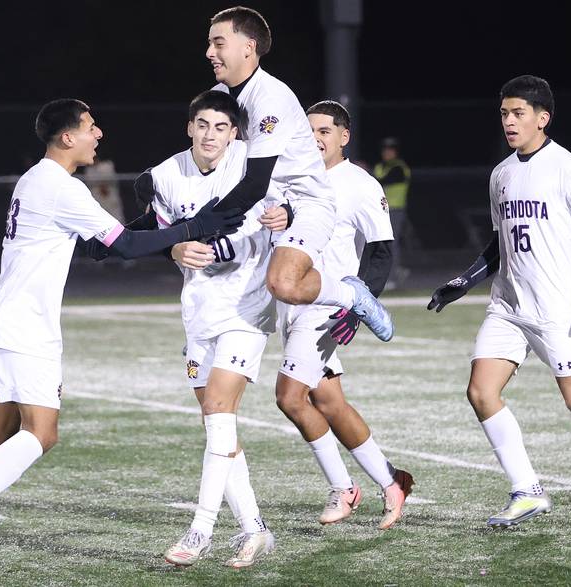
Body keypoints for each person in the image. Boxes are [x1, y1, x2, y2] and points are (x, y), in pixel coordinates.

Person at [0, 99, 244, 571]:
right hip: (25, 327)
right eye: (91, 127)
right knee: (42, 433)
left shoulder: (37, 178)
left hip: (1, 320)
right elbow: (125, 247)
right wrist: (195, 226)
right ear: (67, 137)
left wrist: (158, 222)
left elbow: (98, 246)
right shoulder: (60, 186)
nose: (99, 134)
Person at [427, 75, 571, 532]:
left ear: (542, 117)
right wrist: (465, 280)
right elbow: (499, 244)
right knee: (481, 392)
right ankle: (527, 491)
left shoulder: (568, 167)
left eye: (518, 113)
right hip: (509, 306)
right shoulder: (501, 174)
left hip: (557, 309)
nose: (509, 122)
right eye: (504, 114)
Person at [142, 90, 276, 569]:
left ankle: (200, 531)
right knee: (218, 427)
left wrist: (290, 215)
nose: (210, 135)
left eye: (220, 127)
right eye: (202, 124)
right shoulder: (165, 175)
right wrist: (172, 250)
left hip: (246, 310)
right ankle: (255, 528)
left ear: (235, 133)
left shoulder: (252, 164)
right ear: (189, 127)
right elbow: (156, 232)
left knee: (220, 410)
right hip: (197, 311)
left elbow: (292, 207)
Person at [205, 6, 393, 343]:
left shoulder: (270, 98)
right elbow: (204, 161)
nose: (209, 53)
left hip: (307, 207)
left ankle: (353, 295)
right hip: (268, 212)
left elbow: (254, 182)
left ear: (248, 47)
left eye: (218, 43)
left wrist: (202, 223)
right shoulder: (218, 99)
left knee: (284, 283)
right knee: (294, 394)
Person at [266, 101, 414, 529]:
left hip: (328, 307)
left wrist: (361, 305)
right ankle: (392, 480)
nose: (315, 137)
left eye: (325, 130)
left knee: (290, 397)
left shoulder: (361, 184)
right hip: (289, 304)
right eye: (309, 129)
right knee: (329, 401)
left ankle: (342, 487)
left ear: (343, 137)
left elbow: (381, 249)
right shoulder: (290, 178)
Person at [373, 137, 411, 289]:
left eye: (391, 150)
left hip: (395, 210)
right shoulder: (379, 167)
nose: (387, 152)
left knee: (391, 244)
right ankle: (396, 271)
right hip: (380, 210)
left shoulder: (399, 168)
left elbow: (382, 181)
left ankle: (393, 277)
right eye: (385, 150)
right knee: (378, 243)